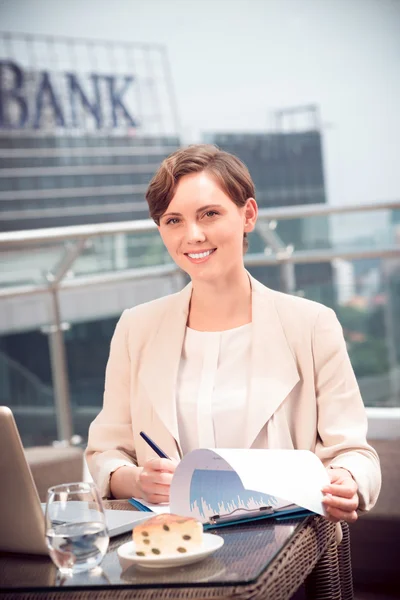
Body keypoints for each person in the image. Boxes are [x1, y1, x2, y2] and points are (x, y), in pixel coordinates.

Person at [86, 144, 381, 524]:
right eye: (173, 220)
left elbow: (356, 453)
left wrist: (348, 480)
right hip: (172, 545)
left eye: (209, 214)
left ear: (248, 215)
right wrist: (136, 481)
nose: (192, 235)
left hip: (283, 544)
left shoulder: (311, 324)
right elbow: (105, 452)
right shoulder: (136, 327)